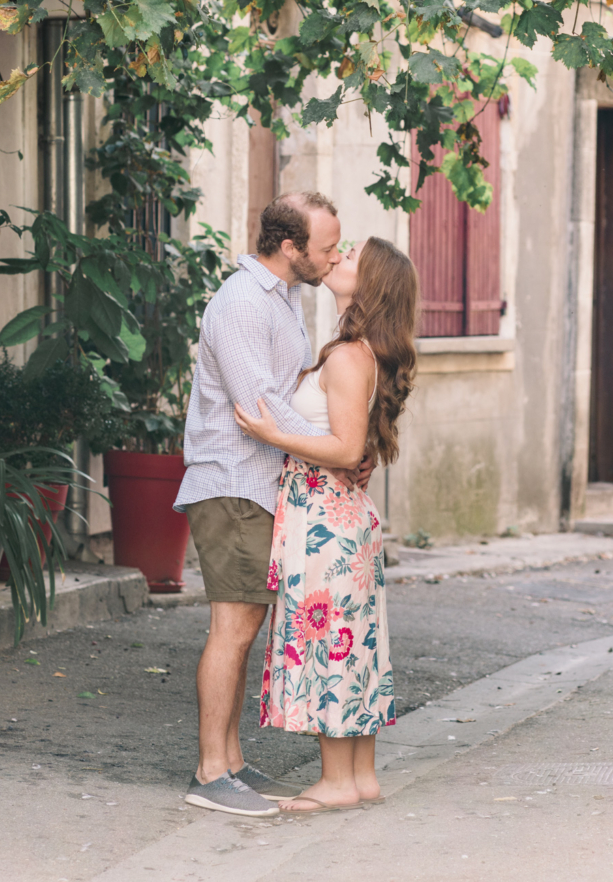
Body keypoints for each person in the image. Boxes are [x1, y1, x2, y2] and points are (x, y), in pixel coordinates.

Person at [175, 191, 365, 817]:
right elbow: (261, 406)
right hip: (233, 481)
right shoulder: (238, 304)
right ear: (291, 248)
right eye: (327, 247)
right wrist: (334, 450)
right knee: (232, 625)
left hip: (263, 482)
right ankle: (210, 772)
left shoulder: (282, 298)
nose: (334, 255)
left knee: (248, 622)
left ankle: (231, 761)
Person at [234, 236, 418, 813]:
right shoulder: (359, 351)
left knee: (329, 644)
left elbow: (343, 448)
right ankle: (360, 776)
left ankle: (337, 782)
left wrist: (272, 436)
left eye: (352, 258)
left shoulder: (346, 357)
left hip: (324, 520)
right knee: (356, 644)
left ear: (372, 286)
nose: (338, 258)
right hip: (342, 518)